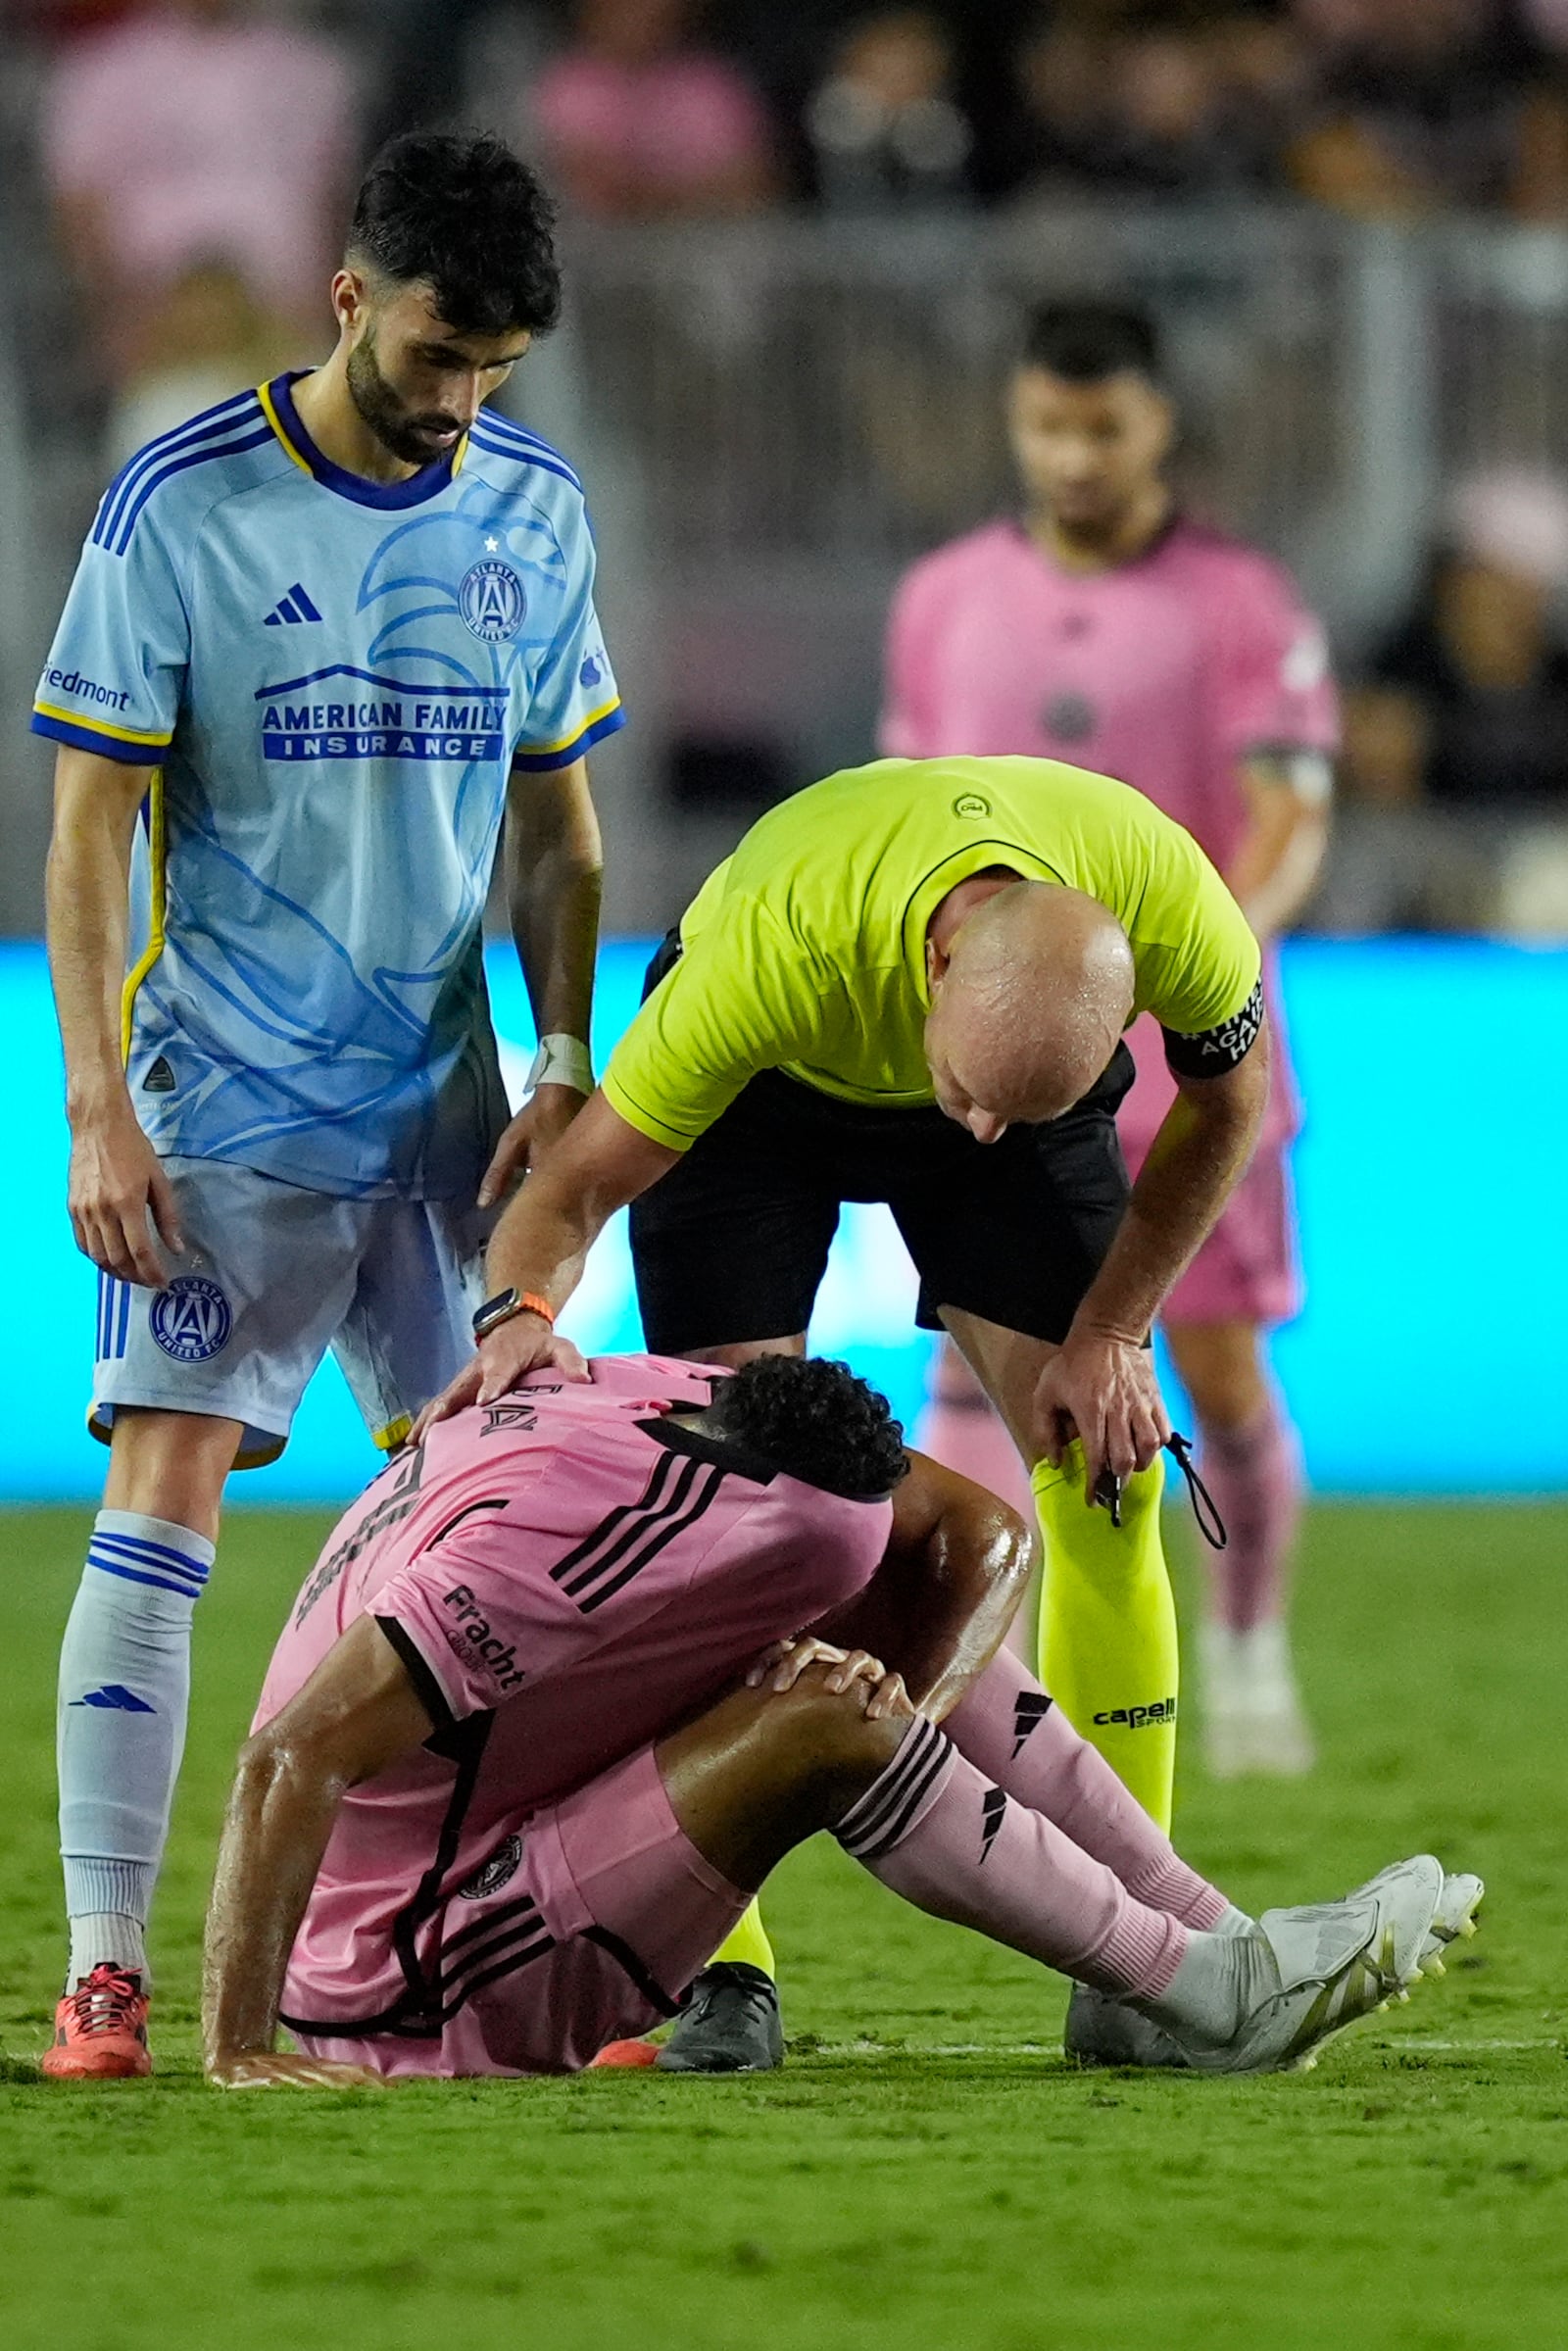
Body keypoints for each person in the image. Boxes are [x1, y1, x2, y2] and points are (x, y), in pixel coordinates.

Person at [34, 131, 625, 2078]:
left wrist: (561, 1061)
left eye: (500, 368)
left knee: (502, 1526)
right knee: (165, 1503)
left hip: (452, 1116)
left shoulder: (534, 508)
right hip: (228, 1103)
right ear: (350, 296)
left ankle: (530, 1958)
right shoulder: (180, 503)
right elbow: (89, 829)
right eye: (440, 354)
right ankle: (110, 1970)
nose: (466, 405)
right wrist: (95, 1111)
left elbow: (559, 830)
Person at [414, 747, 1273, 2069]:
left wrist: (1113, 1331)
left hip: (1003, 1050)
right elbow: (568, 1198)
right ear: (935, 973)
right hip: (765, 1108)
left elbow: (1228, 1105)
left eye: (1022, 1103)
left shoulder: (1169, 902)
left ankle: (1142, 1960)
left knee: (1114, 1469)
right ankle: (717, 1975)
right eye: (973, 1092)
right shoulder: (766, 964)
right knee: (727, 1529)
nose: (979, 1131)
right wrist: (516, 1319)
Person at [195, 1352, 1477, 2088]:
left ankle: (1202, 1952)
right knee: (822, 1715)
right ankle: (1211, 1999)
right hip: (407, 1976)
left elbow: (971, 1532)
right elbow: (285, 1758)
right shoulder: (532, 1560)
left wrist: (903, 1704)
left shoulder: (665, 1398)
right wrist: (242, 2050)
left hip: (512, 1825)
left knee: (879, 1664)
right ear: (765, 1503)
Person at [883, 300, 1337, 1781]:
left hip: (1187, 1054)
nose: (1074, 455)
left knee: (1205, 1369)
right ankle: (973, 1680)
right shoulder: (947, 595)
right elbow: (911, 814)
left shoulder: (1240, 602)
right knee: (972, 1362)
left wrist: (1182, 968)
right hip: (1007, 1060)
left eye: (1104, 426)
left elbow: (1289, 819)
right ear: (1017, 423)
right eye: (1048, 425)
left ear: (1158, 428)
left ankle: (1252, 1648)